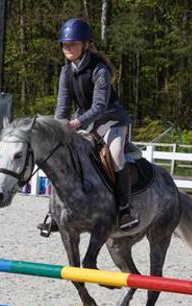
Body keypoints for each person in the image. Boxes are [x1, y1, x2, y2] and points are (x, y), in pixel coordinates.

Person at [39, 18, 139, 235]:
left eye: (73, 44)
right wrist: (57, 129)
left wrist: (76, 123)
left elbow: (99, 106)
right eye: (65, 44)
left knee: (115, 155)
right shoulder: (66, 72)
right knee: (60, 155)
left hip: (111, 119)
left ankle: (125, 209)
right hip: (85, 120)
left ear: (85, 45)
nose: (68, 48)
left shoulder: (99, 69)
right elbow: (62, 107)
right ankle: (54, 212)